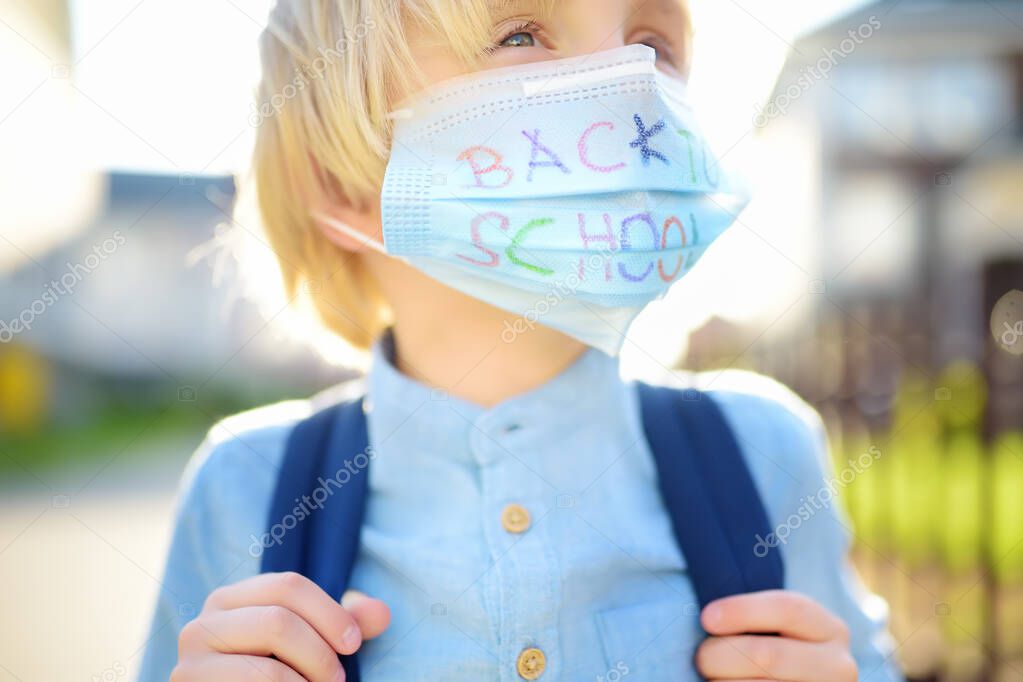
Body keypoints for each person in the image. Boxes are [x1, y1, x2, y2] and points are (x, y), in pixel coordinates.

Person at [141, 0, 903, 680]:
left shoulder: (761, 450)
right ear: (342, 183)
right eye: (521, 33)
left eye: (653, 40)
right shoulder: (244, 488)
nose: (631, 77)